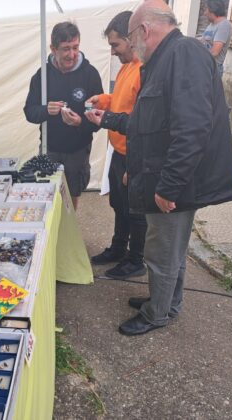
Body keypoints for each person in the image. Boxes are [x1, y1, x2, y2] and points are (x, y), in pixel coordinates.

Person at [87, 0, 232, 335]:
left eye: (129, 38)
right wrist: (108, 119)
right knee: (171, 250)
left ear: (143, 30)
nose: (130, 46)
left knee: (161, 252)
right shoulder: (164, 60)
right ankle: (165, 302)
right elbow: (147, 123)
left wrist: (168, 186)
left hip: (175, 182)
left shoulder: (183, 55)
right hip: (168, 176)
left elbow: (193, 128)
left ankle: (157, 313)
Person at [86, 11, 148, 280]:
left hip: (135, 154)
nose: (113, 51)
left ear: (131, 39)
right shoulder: (126, 67)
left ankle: (135, 260)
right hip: (119, 151)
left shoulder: (143, 70)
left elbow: (144, 121)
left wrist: (135, 164)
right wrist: (103, 99)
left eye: (115, 45)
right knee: (119, 205)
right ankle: (117, 249)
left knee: (135, 211)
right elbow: (121, 100)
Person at [24, 22, 103, 210]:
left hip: (78, 150)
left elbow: (99, 119)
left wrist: (80, 122)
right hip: (50, 148)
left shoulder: (90, 74)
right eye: (66, 49)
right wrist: (45, 110)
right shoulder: (42, 76)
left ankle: (69, 229)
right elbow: (29, 112)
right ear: (53, 49)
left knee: (73, 193)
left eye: (75, 47)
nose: (72, 54)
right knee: (49, 194)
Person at [200, 0, 232, 77]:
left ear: (212, 9)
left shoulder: (224, 25)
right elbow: (202, 42)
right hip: (205, 66)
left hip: (213, 68)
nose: (204, 13)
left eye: (206, 9)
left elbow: (215, 52)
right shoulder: (211, 25)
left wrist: (197, 56)